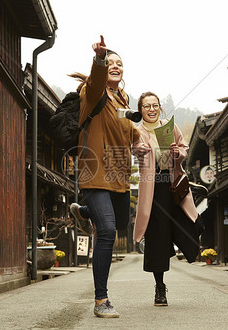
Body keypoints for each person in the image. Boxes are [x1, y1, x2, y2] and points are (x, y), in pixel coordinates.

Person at [70, 35, 141, 318]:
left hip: (118, 174)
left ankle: (84, 211)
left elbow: (128, 129)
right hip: (95, 171)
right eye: (111, 63)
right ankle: (101, 300)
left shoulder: (120, 99)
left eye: (119, 63)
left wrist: (141, 140)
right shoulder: (93, 90)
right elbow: (97, 78)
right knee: (108, 231)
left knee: (119, 223)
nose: (116, 66)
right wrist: (99, 60)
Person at [132, 91, 201, 307]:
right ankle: (160, 287)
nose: (151, 109)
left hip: (173, 184)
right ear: (140, 109)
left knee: (192, 223)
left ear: (160, 108)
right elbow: (133, 149)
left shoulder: (168, 126)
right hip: (152, 187)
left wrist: (177, 153)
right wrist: (140, 150)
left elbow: (183, 147)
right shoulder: (137, 131)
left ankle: (190, 249)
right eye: (147, 106)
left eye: (155, 105)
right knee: (157, 238)